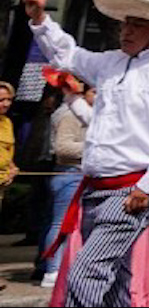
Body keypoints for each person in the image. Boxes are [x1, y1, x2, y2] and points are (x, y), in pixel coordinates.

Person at [22, 0, 149, 308]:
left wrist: (148, 186)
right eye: (126, 22)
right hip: (98, 186)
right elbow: (68, 54)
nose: (127, 30)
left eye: (138, 24)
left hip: (133, 189)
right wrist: (41, 19)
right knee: (116, 280)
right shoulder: (111, 62)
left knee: (86, 273)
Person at [39, 73, 92, 287]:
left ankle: (59, 267)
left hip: (77, 174)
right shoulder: (70, 115)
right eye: (94, 92)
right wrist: (96, 146)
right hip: (69, 173)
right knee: (60, 223)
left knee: (69, 224)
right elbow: (62, 148)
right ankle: (52, 270)